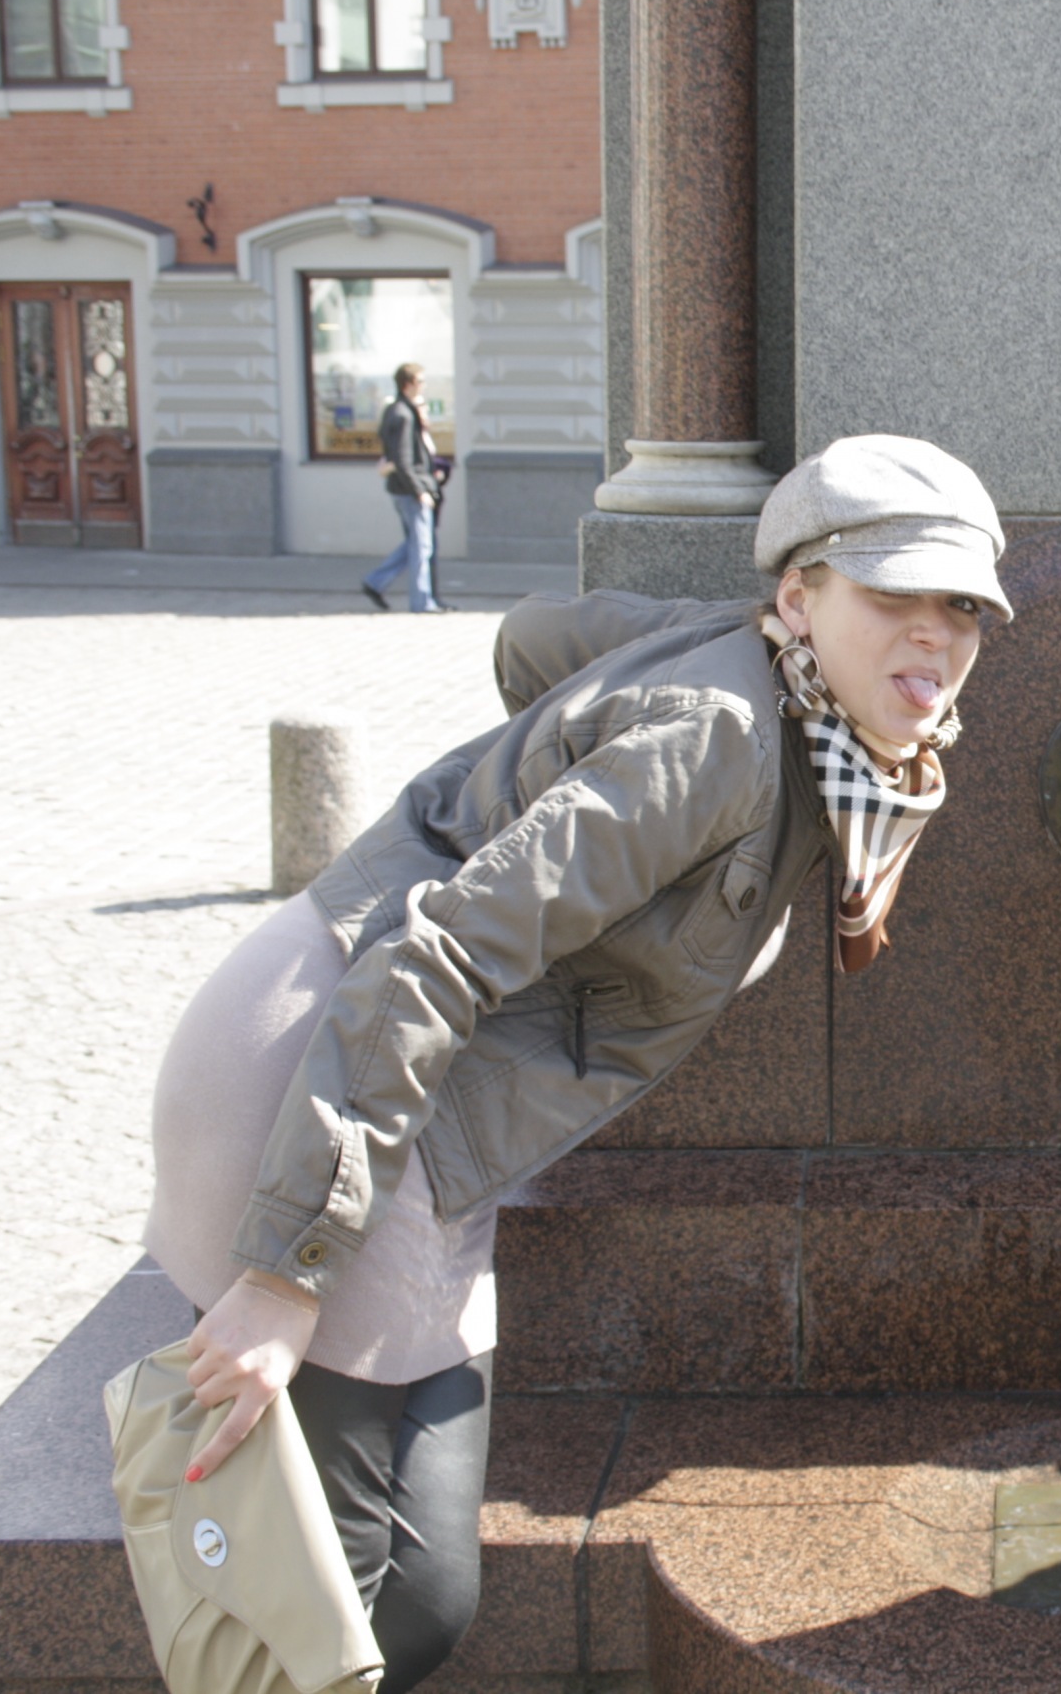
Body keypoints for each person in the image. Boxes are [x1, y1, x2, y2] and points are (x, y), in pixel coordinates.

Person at [143, 435, 1010, 1692]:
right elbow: (433, 959)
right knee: (365, 1599)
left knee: (415, 1592)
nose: (933, 633)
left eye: (963, 606)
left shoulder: (776, 693)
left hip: (430, 1108)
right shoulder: (714, 744)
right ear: (797, 596)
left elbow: (532, 639)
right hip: (327, 1074)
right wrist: (283, 1276)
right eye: (892, 595)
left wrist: (551, 759)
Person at [363, 364, 449, 614]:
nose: (423, 386)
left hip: (405, 487)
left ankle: (375, 582)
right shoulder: (403, 414)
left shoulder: (399, 410)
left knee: (416, 543)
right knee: (422, 546)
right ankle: (421, 602)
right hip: (410, 489)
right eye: (420, 381)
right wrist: (419, 490)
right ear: (408, 384)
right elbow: (402, 458)